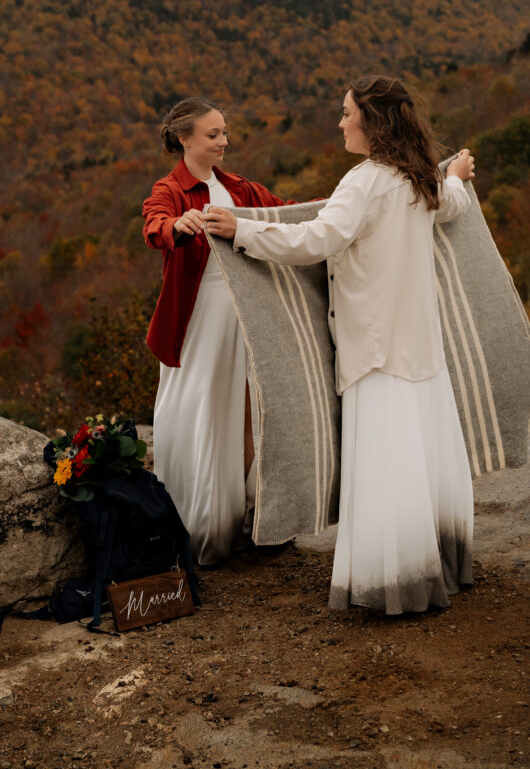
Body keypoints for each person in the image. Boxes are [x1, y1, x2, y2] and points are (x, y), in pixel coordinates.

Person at [205, 75, 475, 614]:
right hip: (418, 343)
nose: (341, 121)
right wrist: (458, 176)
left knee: (386, 463)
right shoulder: (419, 178)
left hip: (374, 346)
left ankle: (393, 580)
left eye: (347, 113)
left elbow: (317, 240)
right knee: (418, 459)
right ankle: (440, 565)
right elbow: (454, 205)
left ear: (372, 122)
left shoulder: (364, 181)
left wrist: (242, 231)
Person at [142, 97, 296, 566]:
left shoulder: (241, 188)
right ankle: (203, 524)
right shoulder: (169, 188)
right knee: (202, 407)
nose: (224, 141)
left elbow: (287, 215)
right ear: (185, 139)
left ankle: (252, 517)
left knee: (250, 411)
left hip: (247, 314)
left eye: (225, 132)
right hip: (200, 319)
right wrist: (178, 225)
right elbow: (154, 226)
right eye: (213, 134)